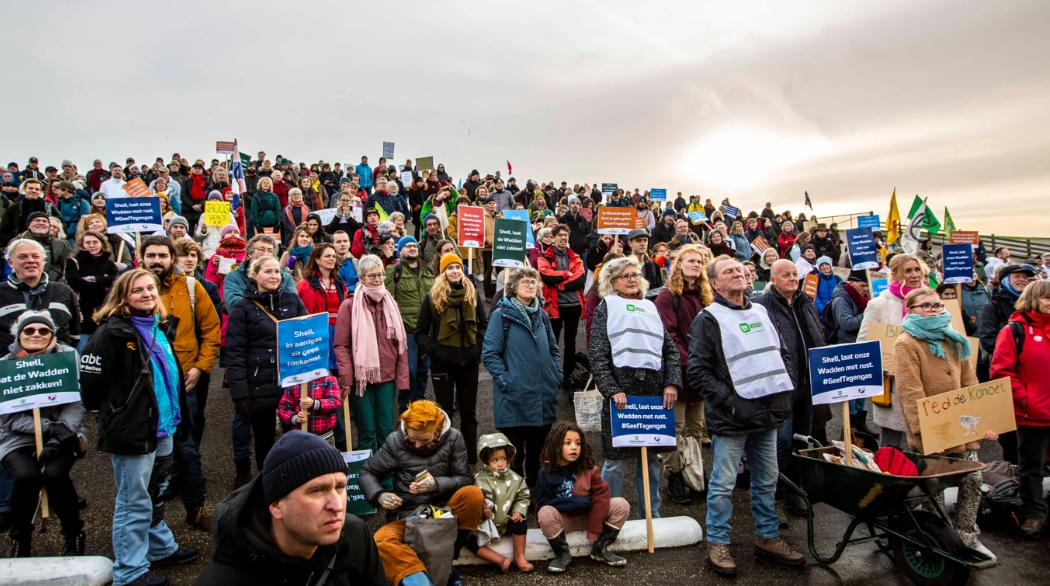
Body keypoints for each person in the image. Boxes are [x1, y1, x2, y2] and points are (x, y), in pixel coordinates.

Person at [80, 269, 199, 586]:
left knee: (155, 492)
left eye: (150, 288)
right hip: (133, 428)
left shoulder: (158, 326)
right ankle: (129, 571)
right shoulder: (110, 334)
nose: (147, 294)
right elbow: (90, 388)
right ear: (122, 296)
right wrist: (120, 410)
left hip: (164, 424)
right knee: (134, 499)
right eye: (138, 290)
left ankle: (159, 548)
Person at [687, 256, 802, 576]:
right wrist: (733, 402)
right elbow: (697, 373)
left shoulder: (760, 310)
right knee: (723, 485)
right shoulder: (708, 319)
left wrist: (785, 386)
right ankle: (718, 541)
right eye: (728, 272)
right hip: (733, 418)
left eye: (740, 270)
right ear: (715, 283)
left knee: (766, 481)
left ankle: (767, 537)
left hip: (767, 414)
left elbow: (781, 354)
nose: (738, 274)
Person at [193, 431, 388, 586]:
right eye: (317, 491)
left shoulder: (354, 534)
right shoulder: (223, 579)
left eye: (340, 487)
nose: (337, 506)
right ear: (277, 504)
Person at [896, 288, 997, 560]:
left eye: (938, 305)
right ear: (911, 309)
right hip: (933, 431)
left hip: (962, 427)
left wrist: (983, 420)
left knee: (974, 479)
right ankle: (940, 538)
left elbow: (969, 382)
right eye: (926, 306)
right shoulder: (906, 343)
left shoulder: (954, 338)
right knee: (935, 490)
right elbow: (910, 392)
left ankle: (966, 534)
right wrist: (925, 433)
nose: (934, 310)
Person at [589, 256, 681, 519]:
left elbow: (670, 351)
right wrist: (611, 389)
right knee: (616, 460)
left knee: (651, 461)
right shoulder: (606, 306)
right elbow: (597, 353)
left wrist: (671, 383)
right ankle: (607, 515)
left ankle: (651, 516)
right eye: (625, 276)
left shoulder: (651, 307)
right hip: (622, 395)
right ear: (613, 282)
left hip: (654, 395)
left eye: (635, 275)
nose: (632, 280)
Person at [140, 235, 220, 532]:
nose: (157, 261)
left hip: (183, 379)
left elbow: (212, 330)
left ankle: (195, 508)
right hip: (144, 384)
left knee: (187, 446)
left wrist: (201, 367)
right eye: (151, 256)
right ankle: (150, 518)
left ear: (171, 256)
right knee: (147, 450)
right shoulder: (133, 289)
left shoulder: (190, 286)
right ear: (142, 257)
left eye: (162, 255)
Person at [360, 400, 485, 586]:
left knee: (473, 495)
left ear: (437, 430)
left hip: (444, 514)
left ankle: (446, 558)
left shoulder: (453, 438)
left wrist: (437, 484)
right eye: (412, 438)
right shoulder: (396, 441)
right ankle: (423, 581)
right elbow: (367, 472)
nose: (417, 445)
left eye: (424, 440)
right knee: (381, 542)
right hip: (406, 516)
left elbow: (465, 478)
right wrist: (380, 495)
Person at [0, 311, 86, 557]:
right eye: (29, 330)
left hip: (66, 430)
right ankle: (20, 539)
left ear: (52, 335)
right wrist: (46, 428)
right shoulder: (5, 365)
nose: (36, 334)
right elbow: (9, 417)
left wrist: (59, 433)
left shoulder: (68, 357)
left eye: (43, 330)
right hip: (17, 435)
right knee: (26, 476)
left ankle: (73, 534)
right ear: (18, 335)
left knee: (54, 473)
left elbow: (77, 401)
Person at [227, 254, 309, 476]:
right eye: (268, 271)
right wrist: (240, 394)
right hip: (259, 387)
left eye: (277, 272)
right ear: (254, 276)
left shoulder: (292, 300)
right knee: (264, 442)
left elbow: (308, 338)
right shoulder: (242, 308)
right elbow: (235, 353)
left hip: (290, 384)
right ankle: (266, 487)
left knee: (294, 440)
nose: (274, 276)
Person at [482, 267, 561, 486]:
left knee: (539, 456)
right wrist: (508, 381)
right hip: (514, 398)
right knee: (515, 458)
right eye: (525, 281)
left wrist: (556, 376)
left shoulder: (542, 315)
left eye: (533, 281)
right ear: (513, 287)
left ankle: (536, 497)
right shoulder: (501, 315)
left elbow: (554, 350)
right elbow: (489, 354)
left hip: (543, 394)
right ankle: (516, 502)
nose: (530, 285)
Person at [654, 244, 713, 505]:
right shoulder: (668, 297)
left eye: (700, 262)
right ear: (678, 265)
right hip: (679, 372)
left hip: (700, 373)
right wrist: (689, 361)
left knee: (694, 428)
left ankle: (694, 474)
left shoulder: (706, 296)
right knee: (674, 429)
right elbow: (667, 335)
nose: (696, 265)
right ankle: (675, 476)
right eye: (690, 260)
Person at [991, 279, 1050, 539]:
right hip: (1033, 414)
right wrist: (1026, 400)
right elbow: (1001, 372)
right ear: (1033, 299)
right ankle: (1034, 513)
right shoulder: (1014, 330)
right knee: (1032, 466)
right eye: (1048, 298)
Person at [416, 253, 487, 466]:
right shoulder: (433, 298)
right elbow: (420, 332)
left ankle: (470, 459)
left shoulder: (471, 294)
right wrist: (436, 352)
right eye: (450, 268)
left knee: (469, 413)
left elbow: (484, 324)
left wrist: (477, 348)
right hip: (442, 364)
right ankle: (445, 458)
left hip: (469, 363)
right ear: (443, 271)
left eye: (457, 267)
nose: (454, 271)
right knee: (444, 413)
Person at [334, 255, 409, 453]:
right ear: (361, 278)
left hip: (387, 377)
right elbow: (341, 345)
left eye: (379, 275)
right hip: (361, 380)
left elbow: (400, 345)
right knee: (366, 432)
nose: (377, 280)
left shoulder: (391, 303)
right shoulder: (349, 306)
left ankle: (386, 479)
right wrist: (346, 379)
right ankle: (367, 478)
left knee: (385, 430)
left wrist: (402, 380)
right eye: (371, 276)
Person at [534, 421, 630, 573]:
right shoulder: (546, 471)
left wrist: (594, 526)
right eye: (568, 443)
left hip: (589, 517)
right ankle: (562, 553)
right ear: (556, 445)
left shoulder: (589, 467)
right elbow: (543, 502)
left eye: (578, 443)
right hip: (564, 520)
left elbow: (601, 497)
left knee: (621, 504)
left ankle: (600, 548)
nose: (574, 447)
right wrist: (577, 502)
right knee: (545, 512)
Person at [858, 253, 927, 450]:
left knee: (929, 448)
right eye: (908, 270)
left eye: (917, 270)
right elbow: (864, 344)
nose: (914, 275)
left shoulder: (933, 302)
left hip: (926, 384)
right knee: (891, 447)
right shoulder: (879, 305)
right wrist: (883, 369)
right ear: (895, 275)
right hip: (893, 384)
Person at [0, 238, 81, 350]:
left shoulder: (63, 291)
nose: (30, 260)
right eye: (22, 257)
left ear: (43, 260)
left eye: (35, 256)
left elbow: (74, 333)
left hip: (56, 364)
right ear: (10, 262)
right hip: (10, 365)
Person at [383, 237, 434, 411]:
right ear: (401, 251)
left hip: (426, 330)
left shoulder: (428, 270)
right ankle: (405, 404)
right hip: (407, 329)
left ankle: (419, 402)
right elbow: (387, 298)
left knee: (422, 370)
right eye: (407, 246)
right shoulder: (394, 270)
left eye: (414, 245)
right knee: (409, 371)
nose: (412, 248)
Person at [472, 434, 533, 573]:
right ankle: (499, 560)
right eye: (494, 460)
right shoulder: (480, 480)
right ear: (486, 461)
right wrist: (482, 511)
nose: (500, 464)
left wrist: (518, 510)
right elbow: (475, 499)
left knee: (520, 522)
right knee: (469, 537)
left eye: (503, 459)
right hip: (486, 524)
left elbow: (523, 496)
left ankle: (520, 557)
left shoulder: (515, 479)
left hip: (506, 521)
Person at [537, 225, 585, 390]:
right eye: (560, 235)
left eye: (566, 235)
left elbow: (580, 279)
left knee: (570, 343)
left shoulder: (575, 257)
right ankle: (552, 377)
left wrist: (561, 285)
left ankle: (568, 377)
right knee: (553, 343)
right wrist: (565, 274)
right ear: (554, 237)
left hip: (574, 305)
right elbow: (546, 276)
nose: (564, 238)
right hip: (555, 306)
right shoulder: (545, 257)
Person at [829, 270, 874, 434]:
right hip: (848, 346)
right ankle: (849, 427)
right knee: (852, 389)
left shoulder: (861, 298)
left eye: (866, 285)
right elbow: (846, 323)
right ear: (851, 283)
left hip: (861, 344)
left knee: (863, 387)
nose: (865, 288)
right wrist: (868, 313)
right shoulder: (842, 299)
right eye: (862, 285)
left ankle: (860, 423)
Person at [296, 243, 348, 374]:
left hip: (340, 335)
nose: (331, 259)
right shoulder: (306, 286)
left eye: (333, 256)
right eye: (327, 256)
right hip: (318, 336)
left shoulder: (340, 284)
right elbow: (305, 318)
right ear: (317, 259)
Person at [65, 230, 118, 352]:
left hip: (106, 310)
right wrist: (103, 280)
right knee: (84, 351)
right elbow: (75, 283)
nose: (92, 245)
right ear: (82, 244)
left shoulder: (108, 263)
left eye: (95, 242)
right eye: (88, 242)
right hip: (83, 311)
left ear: (102, 243)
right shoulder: (74, 262)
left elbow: (116, 281)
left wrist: (90, 279)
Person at [276, 373, 343, 446]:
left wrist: (314, 403)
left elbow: (335, 402)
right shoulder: (293, 383)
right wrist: (295, 418)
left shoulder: (328, 379)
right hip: (300, 438)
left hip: (324, 437)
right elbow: (282, 408)